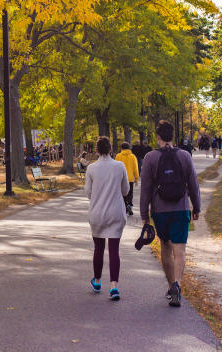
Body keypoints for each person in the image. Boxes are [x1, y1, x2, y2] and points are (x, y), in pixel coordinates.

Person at [140, 120, 201, 308]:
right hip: (181, 208)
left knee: (165, 247)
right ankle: (177, 285)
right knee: (180, 249)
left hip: (160, 210)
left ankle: (170, 285)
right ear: (173, 136)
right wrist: (196, 207)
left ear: (157, 136)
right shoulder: (184, 156)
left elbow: (146, 189)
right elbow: (193, 185)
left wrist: (144, 215)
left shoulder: (150, 158)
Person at [85, 136, 129, 301]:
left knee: (98, 248)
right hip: (115, 212)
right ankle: (114, 286)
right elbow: (125, 190)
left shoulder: (91, 168)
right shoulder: (119, 166)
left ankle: (97, 281)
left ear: (96, 150)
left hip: (97, 212)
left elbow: (88, 193)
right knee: (114, 249)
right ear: (111, 149)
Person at [114, 141, 140, 216]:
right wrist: (136, 178)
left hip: (121, 178)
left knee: (122, 193)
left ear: (121, 148)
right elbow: (135, 168)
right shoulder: (133, 156)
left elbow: (115, 167)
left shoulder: (118, 156)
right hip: (130, 178)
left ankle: (125, 206)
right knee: (130, 192)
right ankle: (129, 204)